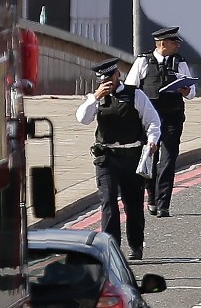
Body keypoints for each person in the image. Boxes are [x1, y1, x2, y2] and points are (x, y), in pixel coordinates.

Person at [76, 58, 160, 260]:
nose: (107, 83)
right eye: (103, 80)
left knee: (133, 203)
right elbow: (82, 119)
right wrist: (94, 98)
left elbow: (153, 121)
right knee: (108, 203)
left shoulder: (135, 95)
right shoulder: (96, 99)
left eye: (110, 78)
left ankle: (136, 246)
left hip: (131, 156)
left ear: (118, 75)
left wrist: (152, 141)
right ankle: (110, 249)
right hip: (107, 157)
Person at [124, 27, 197, 217]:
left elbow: (192, 92)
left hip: (172, 116)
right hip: (149, 119)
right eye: (174, 42)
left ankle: (163, 203)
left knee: (168, 159)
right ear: (162, 43)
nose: (178, 45)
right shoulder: (143, 61)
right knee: (149, 157)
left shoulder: (179, 63)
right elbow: (131, 90)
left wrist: (185, 90)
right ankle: (152, 197)